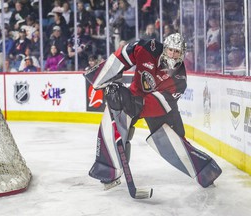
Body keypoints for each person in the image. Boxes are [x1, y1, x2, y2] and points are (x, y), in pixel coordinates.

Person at [87, 33, 222, 191]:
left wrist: (134, 106)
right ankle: (108, 172)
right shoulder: (148, 48)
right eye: (170, 50)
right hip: (134, 96)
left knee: (174, 141)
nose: (173, 54)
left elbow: (160, 104)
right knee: (112, 119)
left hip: (158, 109)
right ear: (164, 48)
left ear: (183, 53)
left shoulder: (179, 79)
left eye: (177, 52)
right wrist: (101, 78)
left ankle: (205, 171)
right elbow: (122, 56)